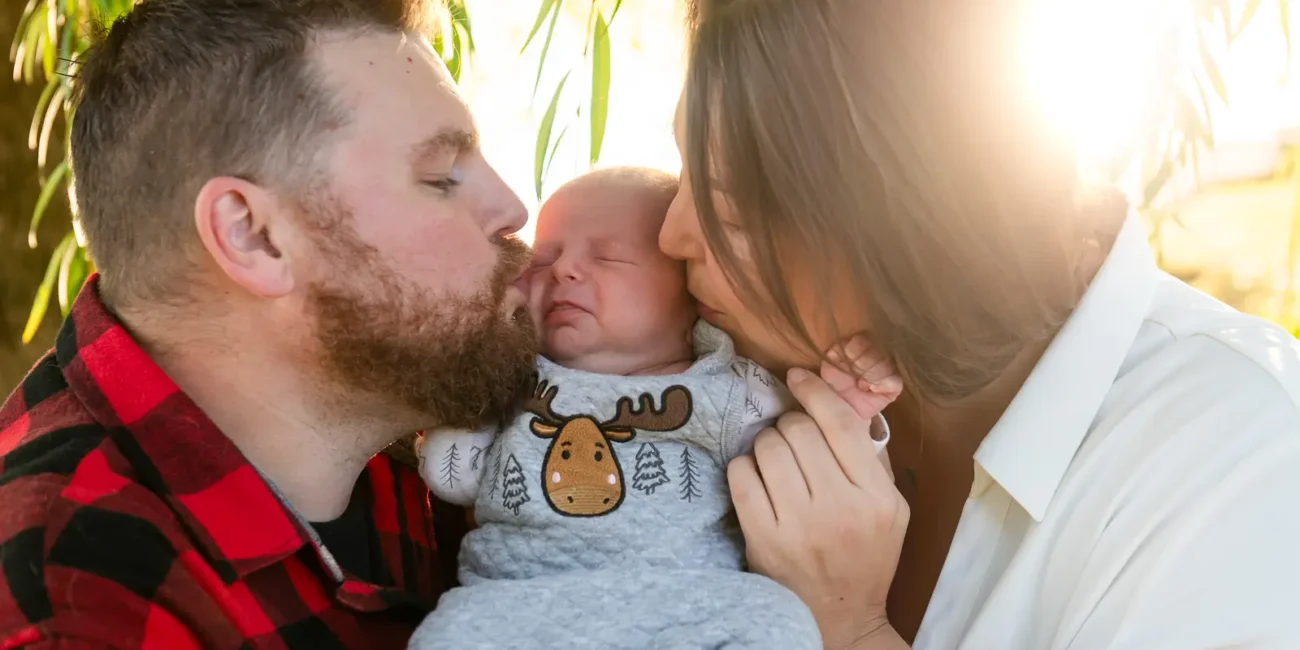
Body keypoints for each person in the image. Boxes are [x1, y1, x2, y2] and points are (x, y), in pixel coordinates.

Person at [660, 1, 1300, 649]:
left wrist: (846, 626)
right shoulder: (732, 377)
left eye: (729, 214)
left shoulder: (1237, 462)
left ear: (915, 225)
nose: (672, 234)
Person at [0, 0, 538, 647]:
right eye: (441, 176)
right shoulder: (73, 603)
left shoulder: (419, 406)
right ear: (255, 237)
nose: (513, 208)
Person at [410, 167, 898, 649]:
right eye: (544, 258)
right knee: (447, 630)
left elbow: (815, 459)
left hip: (687, 604)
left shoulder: (727, 387)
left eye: (608, 256)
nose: (563, 269)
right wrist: (459, 401)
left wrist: (850, 403)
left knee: (779, 619)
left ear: (690, 298)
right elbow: (454, 477)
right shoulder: (513, 379)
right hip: (520, 597)